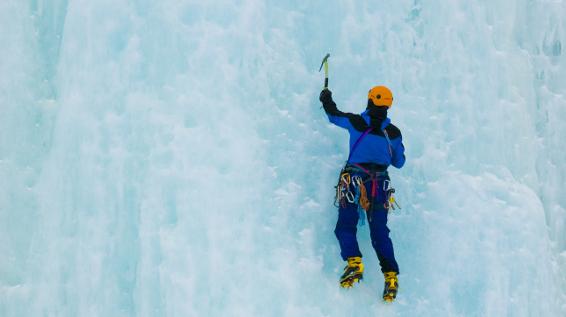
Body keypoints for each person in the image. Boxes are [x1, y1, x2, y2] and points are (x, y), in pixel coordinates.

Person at [319, 85, 405, 302]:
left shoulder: (357, 122)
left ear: (370, 101)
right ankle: (391, 277)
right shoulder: (393, 133)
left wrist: (326, 97)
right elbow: (399, 162)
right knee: (379, 231)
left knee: (346, 224)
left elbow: (333, 115)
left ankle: (354, 263)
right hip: (380, 183)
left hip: (354, 179)